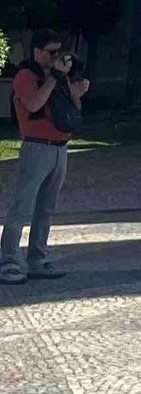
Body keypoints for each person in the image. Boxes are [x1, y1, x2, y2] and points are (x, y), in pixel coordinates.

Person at [1, 32, 87, 285]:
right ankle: (8, 262)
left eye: (58, 52)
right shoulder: (26, 75)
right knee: (22, 207)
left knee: (46, 208)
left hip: (60, 147)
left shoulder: (56, 77)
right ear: (37, 51)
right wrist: (55, 77)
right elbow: (34, 105)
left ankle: (37, 259)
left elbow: (73, 113)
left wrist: (75, 94)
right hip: (37, 147)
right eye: (51, 52)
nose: (55, 57)